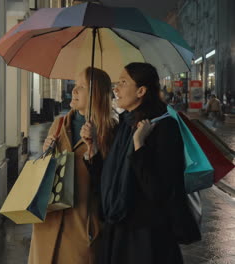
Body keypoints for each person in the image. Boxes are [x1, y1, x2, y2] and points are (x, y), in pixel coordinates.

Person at [81, 62, 187, 264]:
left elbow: (159, 191)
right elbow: (108, 181)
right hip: (119, 230)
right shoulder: (126, 124)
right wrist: (92, 147)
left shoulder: (164, 127)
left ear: (141, 90)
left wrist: (139, 145)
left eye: (123, 82)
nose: (116, 88)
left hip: (147, 238)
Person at [28, 67, 116, 264]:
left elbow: (110, 184)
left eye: (81, 87)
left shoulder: (111, 132)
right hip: (48, 223)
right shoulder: (60, 124)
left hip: (81, 227)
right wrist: (46, 152)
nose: (74, 90)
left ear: (97, 94)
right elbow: (46, 172)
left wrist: (94, 148)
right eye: (75, 86)